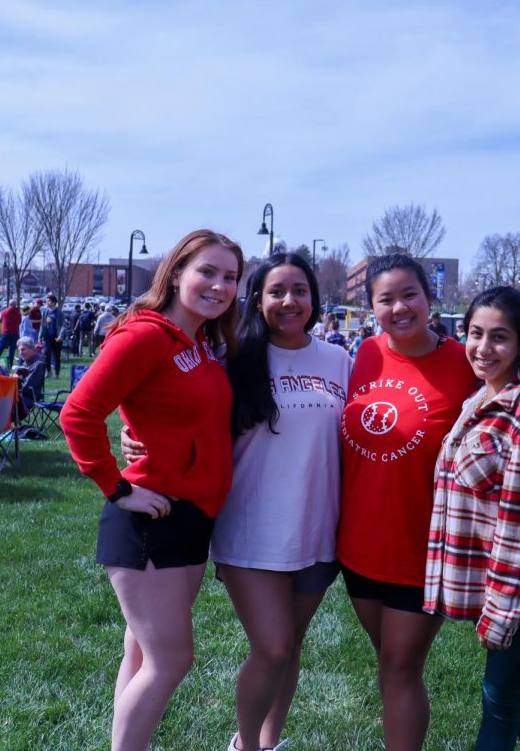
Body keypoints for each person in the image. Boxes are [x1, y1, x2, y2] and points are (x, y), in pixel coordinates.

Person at [125, 253, 351, 751]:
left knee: (289, 649)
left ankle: (270, 743)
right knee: (271, 648)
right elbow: (169, 403)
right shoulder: (232, 356)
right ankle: (246, 746)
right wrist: (134, 435)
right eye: (276, 291)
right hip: (251, 530)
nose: (289, 301)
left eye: (300, 290)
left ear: (314, 298)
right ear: (257, 298)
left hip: (319, 531)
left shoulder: (338, 359)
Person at [61, 229, 242, 751]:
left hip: (191, 516)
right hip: (149, 518)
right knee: (171, 659)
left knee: (141, 655)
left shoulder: (203, 343)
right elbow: (78, 412)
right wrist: (116, 488)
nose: (218, 285)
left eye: (230, 277)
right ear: (176, 272)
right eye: (206, 272)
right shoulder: (144, 334)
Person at [335, 253, 479, 751]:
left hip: (425, 546)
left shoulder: (465, 363)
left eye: (409, 294)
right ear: (371, 306)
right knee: (390, 662)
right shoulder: (364, 355)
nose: (399, 307)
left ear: (430, 297)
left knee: (400, 665)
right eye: (386, 299)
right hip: (357, 546)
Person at [424, 286, 520, 750]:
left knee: (499, 698)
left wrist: (504, 607)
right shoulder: (481, 400)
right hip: (491, 578)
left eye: (499, 337)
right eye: (475, 333)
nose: (483, 348)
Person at [14, 337, 47, 411]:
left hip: (29, 397)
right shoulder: (27, 362)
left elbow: (27, 386)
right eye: (19, 350)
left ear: (32, 349)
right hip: (20, 394)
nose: (20, 353)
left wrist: (16, 380)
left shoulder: (38, 364)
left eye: (23, 349)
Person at [41, 294, 64, 378]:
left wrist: (60, 336)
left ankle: (56, 373)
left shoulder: (59, 313)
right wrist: (40, 336)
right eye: (46, 301)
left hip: (56, 338)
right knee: (46, 354)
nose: (47, 302)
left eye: (49, 301)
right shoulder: (45, 312)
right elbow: (42, 325)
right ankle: (48, 372)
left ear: (54, 302)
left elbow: (63, 326)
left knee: (56, 356)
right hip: (47, 337)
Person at [0, 299, 22, 370]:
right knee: (12, 349)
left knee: (0, 348)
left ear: (9, 304)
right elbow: (19, 322)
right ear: (15, 305)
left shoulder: (4, 312)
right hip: (14, 333)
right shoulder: (18, 313)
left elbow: (0, 320)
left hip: (5, 332)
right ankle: (10, 364)